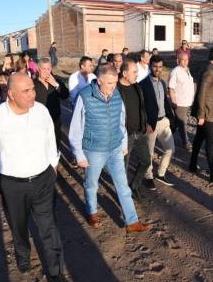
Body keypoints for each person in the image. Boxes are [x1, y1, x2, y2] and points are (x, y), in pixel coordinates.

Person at [0, 73, 75, 282]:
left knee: (49, 227)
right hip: (12, 185)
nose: (33, 94)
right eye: (26, 91)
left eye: (33, 88)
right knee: (18, 225)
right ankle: (22, 254)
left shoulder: (41, 111)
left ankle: (56, 274)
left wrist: (53, 165)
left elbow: (50, 138)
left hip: (43, 180)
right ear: (11, 94)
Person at [69, 64, 152, 233]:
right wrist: (79, 154)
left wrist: (123, 144)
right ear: (99, 81)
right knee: (91, 184)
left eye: (115, 83)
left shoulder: (116, 95)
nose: (113, 87)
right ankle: (92, 212)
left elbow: (121, 121)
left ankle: (132, 222)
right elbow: (76, 128)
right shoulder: (84, 96)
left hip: (115, 148)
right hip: (93, 150)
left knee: (123, 185)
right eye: (109, 83)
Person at [117, 59, 152, 201]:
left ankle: (134, 186)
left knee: (146, 161)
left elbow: (141, 107)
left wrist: (145, 123)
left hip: (140, 132)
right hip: (125, 136)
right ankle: (124, 196)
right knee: (123, 168)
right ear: (125, 73)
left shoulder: (137, 86)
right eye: (134, 72)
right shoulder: (115, 89)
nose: (137, 74)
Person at [189, 47, 213, 183]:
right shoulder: (209, 71)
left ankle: (192, 164)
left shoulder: (209, 68)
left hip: (208, 112)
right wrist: (201, 115)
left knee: (199, 138)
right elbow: (201, 93)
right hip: (207, 114)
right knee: (211, 143)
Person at [139, 55, 176, 189]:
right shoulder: (143, 84)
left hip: (163, 121)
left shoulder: (162, 83)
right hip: (151, 124)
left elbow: (165, 101)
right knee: (149, 153)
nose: (158, 69)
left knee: (170, 149)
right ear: (150, 66)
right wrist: (146, 123)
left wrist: (169, 117)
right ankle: (148, 176)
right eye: (155, 66)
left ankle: (160, 174)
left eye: (160, 67)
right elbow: (140, 107)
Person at [34, 57, 69, 149]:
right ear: (38, 69)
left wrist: (55, 84)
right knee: (42, 147)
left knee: (55, 145)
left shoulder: (56, 80)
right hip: (39, 122)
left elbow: (65, 95)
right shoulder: (33, 84)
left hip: (55, 120)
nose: (46, 72)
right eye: (44, 69)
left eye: (48, 69)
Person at [168, 50, 195, 151]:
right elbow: (171, 88)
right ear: (178, 60)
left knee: (176, 123)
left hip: (187, 102)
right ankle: (186, 143)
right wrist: (173, 101)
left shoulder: (187, 70)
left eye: (186, 60)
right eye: (183, 60)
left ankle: (164, 135)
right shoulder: (176, 71)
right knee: (183, 123)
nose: (185, 61)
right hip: (179, 103)